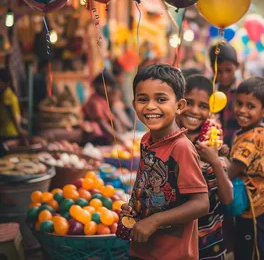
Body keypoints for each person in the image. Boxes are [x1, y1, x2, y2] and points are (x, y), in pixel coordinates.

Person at [122, 64, 209, 260]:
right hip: (144, 249)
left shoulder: (181, 148)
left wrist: (155, 220)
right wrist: (137, 208)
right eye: (143, 99)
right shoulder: (147, 140)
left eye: (161, 99)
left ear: (179, 106)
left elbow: (201, 204)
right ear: (134, 102)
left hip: (172, 253)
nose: (150, 106)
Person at [177, 74, 233, 259]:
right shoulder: (168, 138)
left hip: (209, 242)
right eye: (189, 103)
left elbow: (226, 198)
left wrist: (215, 161)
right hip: (174, 243)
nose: (194, 111)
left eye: (203, 106)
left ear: (211, 110)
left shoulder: (212, 144)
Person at [228, 77, 264, 260]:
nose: (242, 111)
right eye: (239, 103)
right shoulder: (251, 130)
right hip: (255, 204)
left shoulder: (250, 140)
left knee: (253, 252)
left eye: (250, 106)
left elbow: (232, 171)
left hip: (254, 211)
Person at [209, 44, 240, 152]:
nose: (224, 76)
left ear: (237, 66)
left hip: (236, 148)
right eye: (219, 71)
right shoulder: (209, 90)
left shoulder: (242, 91)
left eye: (228, 70)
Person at [83, 71, 124, 145]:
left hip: (108, 137)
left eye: (109, 86)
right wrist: (119, 138)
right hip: (96, 139)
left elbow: (112, 120)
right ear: (96, 85)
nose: (107, 89)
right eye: (104, 85)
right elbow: (102, 124)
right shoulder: (94, 102)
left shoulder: (102, 100)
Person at [0, 68, 27, 144]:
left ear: (6, 82)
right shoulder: (7, 94)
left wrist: (19, 130)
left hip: (10, 132)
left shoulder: (7, 94)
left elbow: (12, 113)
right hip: (8, 132)